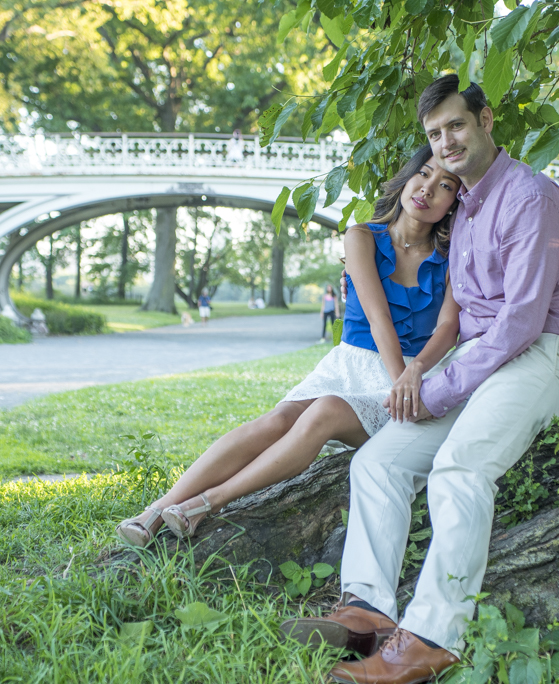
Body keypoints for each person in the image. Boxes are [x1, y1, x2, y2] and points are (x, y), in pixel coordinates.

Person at [282, 75, 559, 684]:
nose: (445, 141)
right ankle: (368, 610)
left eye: (455, 125)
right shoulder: (467, 207)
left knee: (459, 466)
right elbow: (460, 318)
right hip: (479, 361)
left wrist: (435, 389)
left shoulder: (530, 198)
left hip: (541, 354)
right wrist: (424, 369)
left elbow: (520, 323)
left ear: (485, 120)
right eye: (433, 133)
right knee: (378, 461)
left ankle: (429, 641)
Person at [114, 145, 463, 552]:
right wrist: (400, 375)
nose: (427, 189)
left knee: (326, 412)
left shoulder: (452, 256)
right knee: (279, 419)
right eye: (423, 174)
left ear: (454, 203)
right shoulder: (361, 236)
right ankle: (158, 509)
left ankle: (207, 504)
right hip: (354, 365)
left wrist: (412, 375)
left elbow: (448, 327)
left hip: (410, 382)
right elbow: (377, 319)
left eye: (445, 186)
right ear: (406, 178)